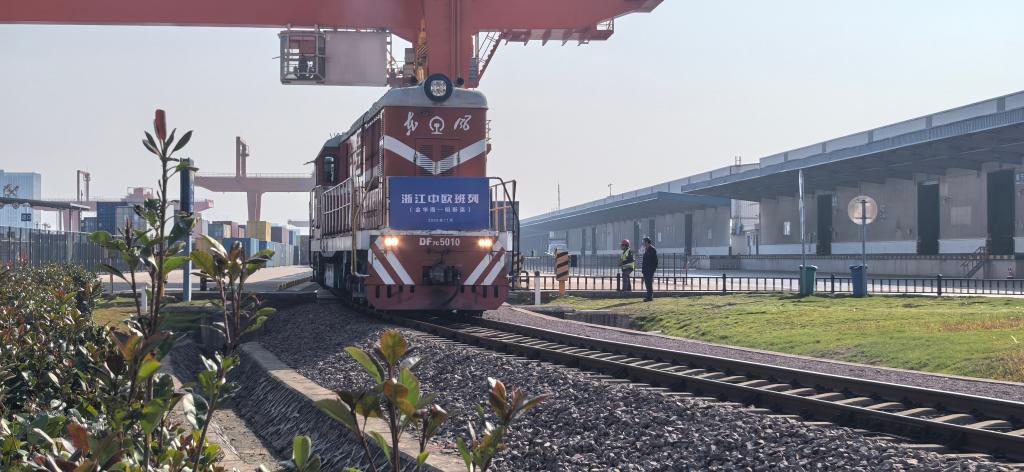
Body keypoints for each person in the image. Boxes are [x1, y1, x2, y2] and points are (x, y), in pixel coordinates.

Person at [641, 236, 659, 302]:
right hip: (646, 270)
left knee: (649, 283)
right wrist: (643, 269)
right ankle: (648, 296)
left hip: (650, 270)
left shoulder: (652, 249)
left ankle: (650, 297)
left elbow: (655, 261)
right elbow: (644, 260)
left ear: (647, 242)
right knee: (647, 283)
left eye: (644, 242)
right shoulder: (646, 249)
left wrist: (653, 269)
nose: (643, 243)